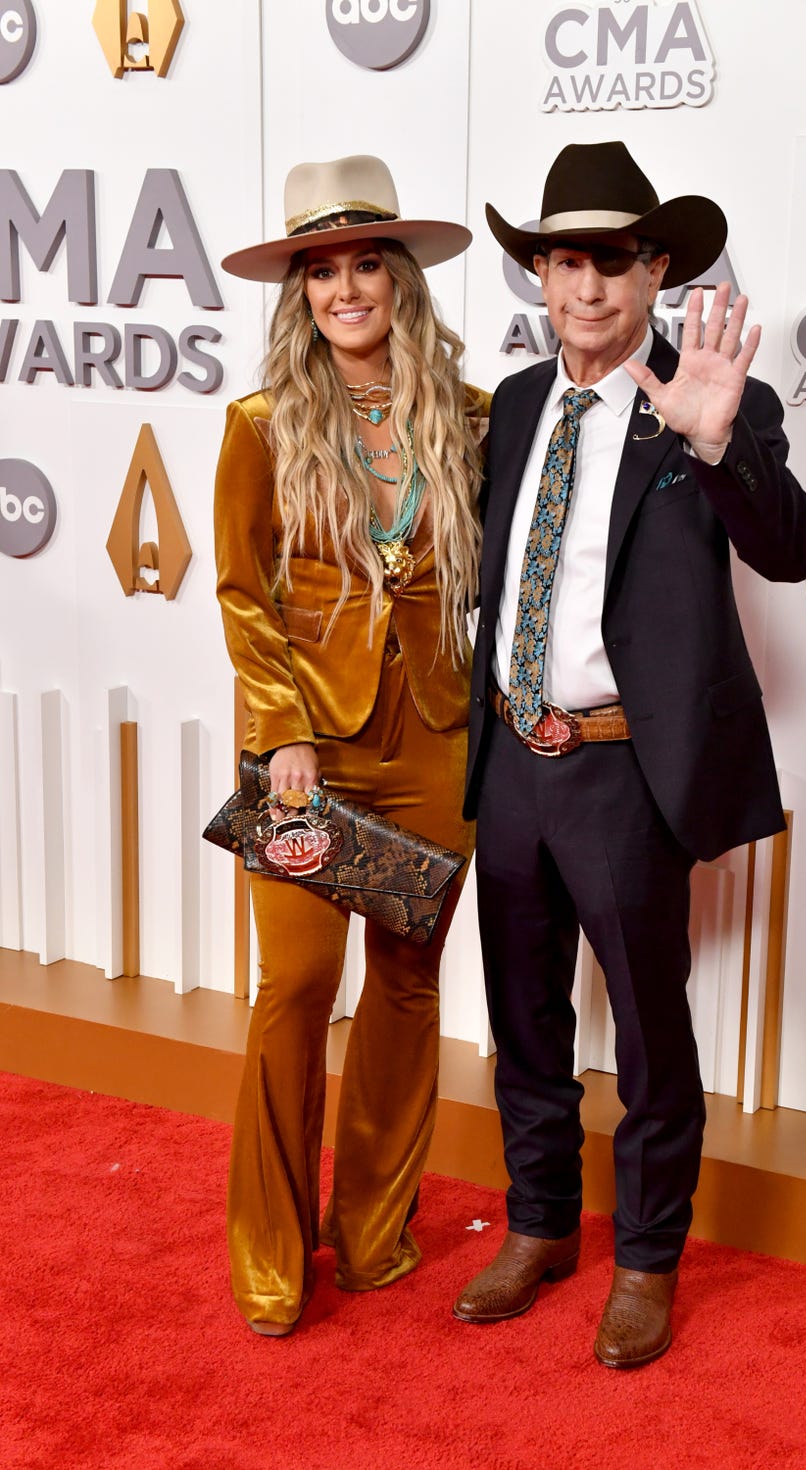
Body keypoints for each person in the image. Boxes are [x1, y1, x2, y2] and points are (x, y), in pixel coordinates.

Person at [452, 141, 806, 1367]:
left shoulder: (708, 402)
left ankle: (648, 1260)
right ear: (541, 275)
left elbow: (792, 551)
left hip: (623, 773)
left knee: (651, 1037)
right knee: (523, 1022)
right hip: (511, 761)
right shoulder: (512, 405)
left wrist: (715, 444)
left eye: (615, 262)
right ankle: (540, 1224)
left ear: (655, 269)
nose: (589, 289)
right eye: (566, 261)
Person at [214, 155, 486, 1336]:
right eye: (319, 270)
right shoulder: (259, 425)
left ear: (400, 276)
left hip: (435, 735)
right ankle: (269, 1248)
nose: (344, 288)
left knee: (408, 983)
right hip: (306, 750)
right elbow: (238, 591)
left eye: (364, 261)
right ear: (298, 293)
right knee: (297, 986)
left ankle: (372, 1229)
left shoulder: (470, 418)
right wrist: (283, 736)